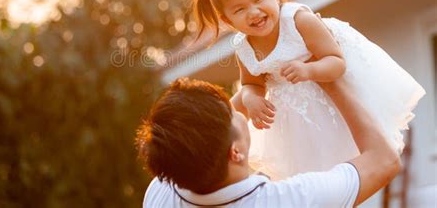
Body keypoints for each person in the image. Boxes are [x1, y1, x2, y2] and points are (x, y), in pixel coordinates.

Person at [190, 0, 425, 179]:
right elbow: (251, 83)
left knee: (352, 160)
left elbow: (337, 62)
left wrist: (308, 70)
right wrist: (251, 98)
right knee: (312, 173)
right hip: (296, 114)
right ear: (227, 20)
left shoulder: (298, 21)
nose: (253, 12)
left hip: (330, 93)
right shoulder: (243, 47)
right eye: (239, 9)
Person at [137, 77, 401, 207]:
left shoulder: (162, 190)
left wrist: (256, 81)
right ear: (236, 152)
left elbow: (199, 135)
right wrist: (329, 81)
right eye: (232, 114)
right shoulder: (289, 201)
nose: (237, 109)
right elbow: (385, 160)